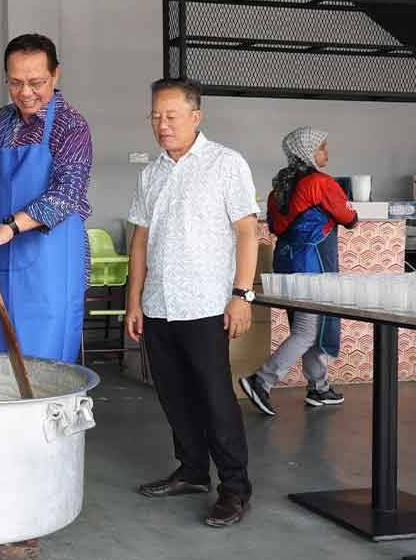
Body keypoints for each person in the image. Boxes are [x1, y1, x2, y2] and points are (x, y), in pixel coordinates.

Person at [125, 78, 257, 528]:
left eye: (171, 116)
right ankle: (193, 471)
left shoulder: (226, 164)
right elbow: (140, 242)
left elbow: (247, 231)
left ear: (195, 117)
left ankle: (235, 489)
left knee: (215, 399)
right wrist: (134, 302)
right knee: (173, 395)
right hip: (159, 304)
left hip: (206, 305)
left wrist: (242, 294)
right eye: (155, 116)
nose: (162, 125)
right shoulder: (151, 174)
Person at [0, 33, 92, 363]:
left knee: (45, 366)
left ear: (56, 75)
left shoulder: (71, 126)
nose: (25, 93)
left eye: (36, 82)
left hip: (50, 266)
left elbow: (66, 194)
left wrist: (8, 228)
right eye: (15, 83)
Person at [240, 128, 357, 415]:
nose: (326, 152)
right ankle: (261, 381)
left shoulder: (277, 190)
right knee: (307, 331)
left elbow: (275, 227)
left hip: (285, 263)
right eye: (322, 147)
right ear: (307, 152)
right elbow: (349, 218)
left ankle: (319, 387)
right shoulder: (321, 183)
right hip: (312, 265)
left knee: (307, 328)